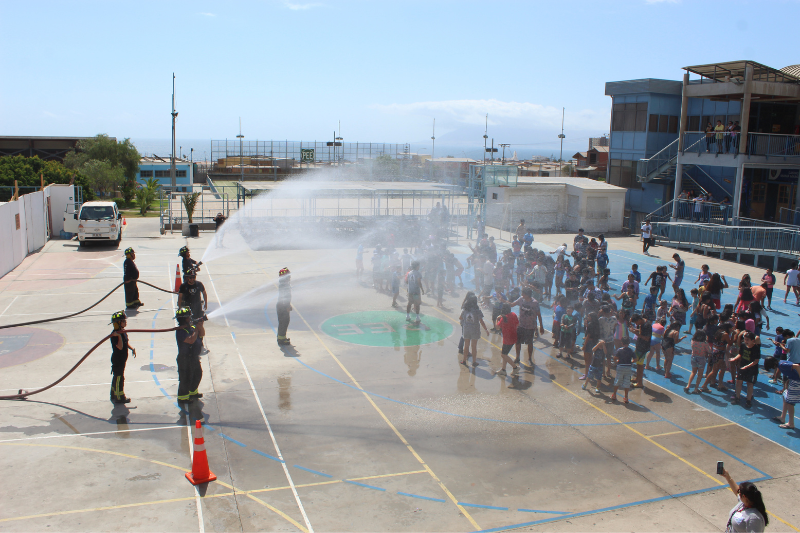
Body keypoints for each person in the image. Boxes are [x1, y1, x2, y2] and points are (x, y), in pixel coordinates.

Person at [717, 468, 768, 533]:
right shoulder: (743, 503)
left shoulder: (753, 518)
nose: (738, 493)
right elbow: (736, 489)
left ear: (744, 497)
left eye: (739, 492)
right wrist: (727, 476)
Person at [506, 287, 544, 367]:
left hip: (530, 326)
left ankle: (530, 358)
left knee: (530, 343)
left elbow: (539, 315)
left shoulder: (535, 303)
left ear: (527, 295)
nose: (521, 295)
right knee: (518, 342)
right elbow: (512, 304)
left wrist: (541, 327)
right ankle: (517, 357)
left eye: (523, 293)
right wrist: (503, 300)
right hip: (521, 325)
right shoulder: (521, 299)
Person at [175, 307, 202, 405]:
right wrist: (195, 329)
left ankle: (193, 392)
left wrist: (199, 326)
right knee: (185, 378)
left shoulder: (189, 328)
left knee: (197, 374)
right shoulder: (181, 331)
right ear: (185, 318)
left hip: (193, 357)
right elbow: (191, 340)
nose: (190, 318)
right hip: (184, 358)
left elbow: (201, 333)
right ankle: (183, 398)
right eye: (189, 317)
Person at [763, 356, 800, 429]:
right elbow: (792, 371)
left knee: (790, 402)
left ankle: (791, 423)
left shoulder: (782, 365)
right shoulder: (781, 363)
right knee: (785, 395)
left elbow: (796, 366)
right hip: (794, 380)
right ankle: (783, 417)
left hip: (797, 382)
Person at [177, 269, 208, 353]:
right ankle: (191, 341)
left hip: (198, 308)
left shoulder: (199, 284)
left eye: (193, 277)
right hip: (188, 310)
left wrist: (205, 303)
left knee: (200, 324)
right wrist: (180, 308)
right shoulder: (183, 286)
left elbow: (204, 293)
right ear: (187, 278)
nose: (192, 279)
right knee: (189, 326)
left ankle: (200, 342)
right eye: (190, 277)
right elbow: (180, 297)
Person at [109, 311, 136, 404]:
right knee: (119, 378)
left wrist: (132, 348)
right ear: (118, 323)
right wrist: (119, 336)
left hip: (122, 359)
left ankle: (113, 394)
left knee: (118, 377)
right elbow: (120, 347)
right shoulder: (115, 335)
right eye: (123, 320)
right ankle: (119, 397)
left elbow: (125, 343)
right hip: (118, 359)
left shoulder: (122, 332)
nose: (125, 322)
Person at [729, 331, 760, 407]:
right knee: (739, 381)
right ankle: (737, 398)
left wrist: (747, 367)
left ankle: (748, 400)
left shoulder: (756, 348)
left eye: (747, 340)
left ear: (753, 341)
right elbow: (740, 354)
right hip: (742, 366)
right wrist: (734, 358)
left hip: (751, 369)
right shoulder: (743, 345)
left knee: (750, 384)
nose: (745, 341)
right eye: (745, 339)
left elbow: (756, 361)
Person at [460, 292, 489, 367]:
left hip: (466, 329)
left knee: (466, 346)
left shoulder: (465, 309)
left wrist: (466, 321)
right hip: (475, 330)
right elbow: (481, 321)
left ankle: (464, 360)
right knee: (474, 346)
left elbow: (460, 317)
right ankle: (474, 361)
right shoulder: (477, 310)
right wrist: (486, 329)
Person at [495, 304, 520, 376]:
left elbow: (497, 327)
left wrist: (497, 319)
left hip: (507, 339)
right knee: (505, 354)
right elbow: (517, 324)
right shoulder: (513, 314)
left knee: (503, 355)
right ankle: (503, 369)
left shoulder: (503, 318)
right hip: (513, 337)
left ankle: (515, 367)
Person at [630, 313, 651, 389]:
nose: (636, 324)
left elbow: (647, 338)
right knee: (638, 363)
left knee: (640, 365)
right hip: (639, 346)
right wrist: (635, 330)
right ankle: (637, 379)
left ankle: (640, 383)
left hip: (643, 348)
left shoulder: (647, 325)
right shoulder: (642, 323)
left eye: (636, 322)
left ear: (639, 320)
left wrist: (636, 334)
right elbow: (642, 331)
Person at [276, 267, 292, 345]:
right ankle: (281, 340)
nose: (290, 277)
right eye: (288, 275)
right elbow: (284, 297)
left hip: (282, 306)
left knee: (283, 322)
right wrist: (287, 306)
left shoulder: (284, 284)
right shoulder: (284, 285)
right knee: (284, 322)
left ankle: (281, 338)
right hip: (283, 306)